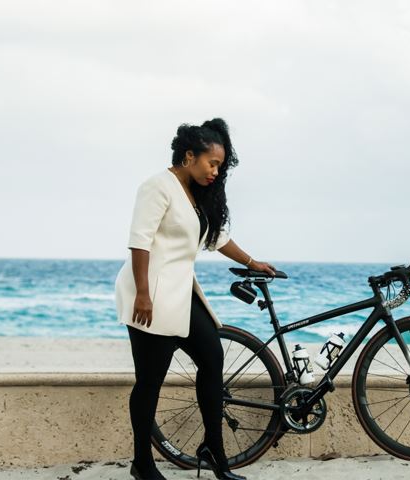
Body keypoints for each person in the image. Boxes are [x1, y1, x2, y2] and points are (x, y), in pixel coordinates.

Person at [112, 118, 275, 480]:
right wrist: (142, 293)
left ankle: (213, 451)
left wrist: (253, 262)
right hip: (150, 294)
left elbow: (215, 238)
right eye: (211, 163)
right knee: (150, 381)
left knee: (212, 359)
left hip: (182, 294)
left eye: (219, 165)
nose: (216, 171)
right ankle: (142, 463)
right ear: (189, 156)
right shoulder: (158, 186)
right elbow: (139, 241)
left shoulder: (194, 194)